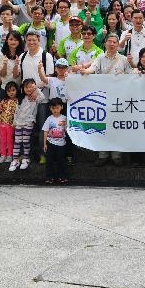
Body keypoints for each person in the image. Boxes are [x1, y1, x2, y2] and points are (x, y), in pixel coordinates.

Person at [80, 34, 131, 166]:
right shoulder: (100, 58)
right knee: (102, 126)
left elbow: (131, 75)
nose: (112, 44)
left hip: (119, 99)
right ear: (105, 43)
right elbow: (93, 68)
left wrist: (125, 75)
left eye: (115, 42)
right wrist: (86, 71)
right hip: (102, 98)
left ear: (118, 44)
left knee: (117, 128)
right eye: (110, 41)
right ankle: (102, 154)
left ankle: (116, 155)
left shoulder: (124, 59)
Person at [9, 78, 46, 171]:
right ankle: (15, 160)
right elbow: (17, 111)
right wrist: (14, 121)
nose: (29, 89)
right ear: (23, 88)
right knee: (17, 142)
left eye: (31, 87)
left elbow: (42, 98)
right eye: (26, 87)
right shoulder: (21, 98)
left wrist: (36, 89)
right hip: (18, 123)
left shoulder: (35, 97)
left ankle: (26, 158)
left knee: (25, 141)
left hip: (29, 122)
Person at [42, 97, 69, 184]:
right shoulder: (49, 119)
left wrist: (65, 123)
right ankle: (49, 177)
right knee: (49, 161)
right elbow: (45, 131)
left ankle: (62, 176)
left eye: (57, 108)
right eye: (53, 108)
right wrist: (45, 143)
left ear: (62, 107)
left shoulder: (65, 118)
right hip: (51, 143)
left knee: (61, 161)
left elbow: (70, 128)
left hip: (62, 144)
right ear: (50, 108)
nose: (55, 110)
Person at [0, 81, 18, 164]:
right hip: (1, 124)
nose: (11, 92)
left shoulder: (18, 102)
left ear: (16, 90)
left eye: (13, 90)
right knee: (2, 140)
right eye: (9, 91)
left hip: (11, 124)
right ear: (6, 92)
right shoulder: (3, 101)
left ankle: (9, 155)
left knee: (10, 140)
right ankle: (2, 155)